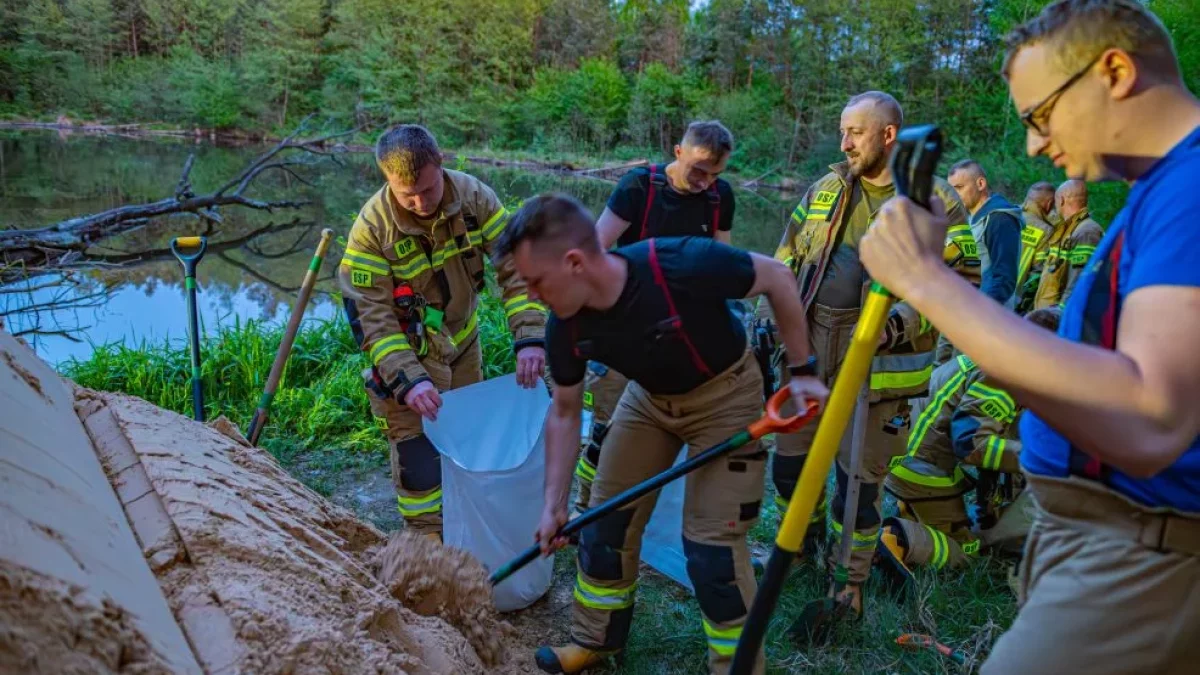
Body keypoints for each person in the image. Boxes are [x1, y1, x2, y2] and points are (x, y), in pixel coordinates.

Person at [859, 1, 1200, 672]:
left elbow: (1153, 416)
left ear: (1115, 70)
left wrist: (927, 281)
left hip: (1139, 554)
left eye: (1039, 117)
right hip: (1108, 538)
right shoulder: (1162, 187)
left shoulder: (1189, 188)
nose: (1035, 146)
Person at [493, 194, 828, 674]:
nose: (531, 294)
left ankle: (737, 668)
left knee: (712, 554)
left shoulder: (678, 262)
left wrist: (803, 369)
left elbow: (777, 276)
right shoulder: (564, 327)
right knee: (602, 525)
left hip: (726, 396)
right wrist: (553, 506)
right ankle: (596, 643)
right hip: (649, 400)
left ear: (573, 263)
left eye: (535, 282)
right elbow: (565, 413)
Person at [761, 90, 975, 619]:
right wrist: (772, 322)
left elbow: (962, 285)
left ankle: (847, 584)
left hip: (879, 371)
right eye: (842, 130)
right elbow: (785, 255)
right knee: (790, 471)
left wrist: (896, 325)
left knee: (856, 488)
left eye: (854, 131)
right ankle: (798, 552)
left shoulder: (937, 202)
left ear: (888, 135)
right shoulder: (827, 187)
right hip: (810, 356)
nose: (844, 141)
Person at [337, 124, 547, 540]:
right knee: (417, 457)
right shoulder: (370, 230)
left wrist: (529, 338)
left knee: (470, 444)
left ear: (441, 163)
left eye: (428, 191)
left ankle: (473, 534)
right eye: (405, 194)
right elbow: (372, 319)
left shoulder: (474, 198)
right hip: (408, 355)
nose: (419, 203)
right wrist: (409, 382)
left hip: (462, 344)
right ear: (386, 180)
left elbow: (518, 268)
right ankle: (426, 544)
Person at [575, 120, 738, 519]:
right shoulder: (639, 188)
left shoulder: (720, 198)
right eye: (699, 170)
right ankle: (586, 507)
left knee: (658, 429)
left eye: (715, 175)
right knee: (606, 428)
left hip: (680, 335)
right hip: (625, 326)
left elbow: (724, 266)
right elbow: (596, 251)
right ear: (679, 152)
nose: (705, 182)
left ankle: (644, 513)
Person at [877, 307, 1061, 579]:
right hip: (921, 467)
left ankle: (917, 515)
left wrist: (988, 509)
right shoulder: (1004, 377)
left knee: (963, 527)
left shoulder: (1000, 360)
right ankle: (899, 538)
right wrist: (1039, 458)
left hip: (907, 450)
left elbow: (990, 439)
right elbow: (973, 445)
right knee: (968, 551)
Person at [947, 159, 1022, 306]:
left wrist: (980, 312)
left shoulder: (999, 220)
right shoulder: (969, 217)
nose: (953, 196)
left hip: (988, 319)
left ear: (981, 184)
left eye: (959, 187)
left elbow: (1004, 279)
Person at [1032, 178, 1105, 308]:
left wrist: (1060, 314)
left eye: (1055, 201)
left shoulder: (1086, 232)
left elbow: (1078, 281)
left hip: (1058, 319)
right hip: (1046, 316)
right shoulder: (1067, 230)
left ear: (1062, 200)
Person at [1016, 181, 1060, 310]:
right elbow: (1038, 273)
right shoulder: (1045, 231)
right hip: (1014, 298)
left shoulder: (1004, 215)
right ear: (1049, 204)